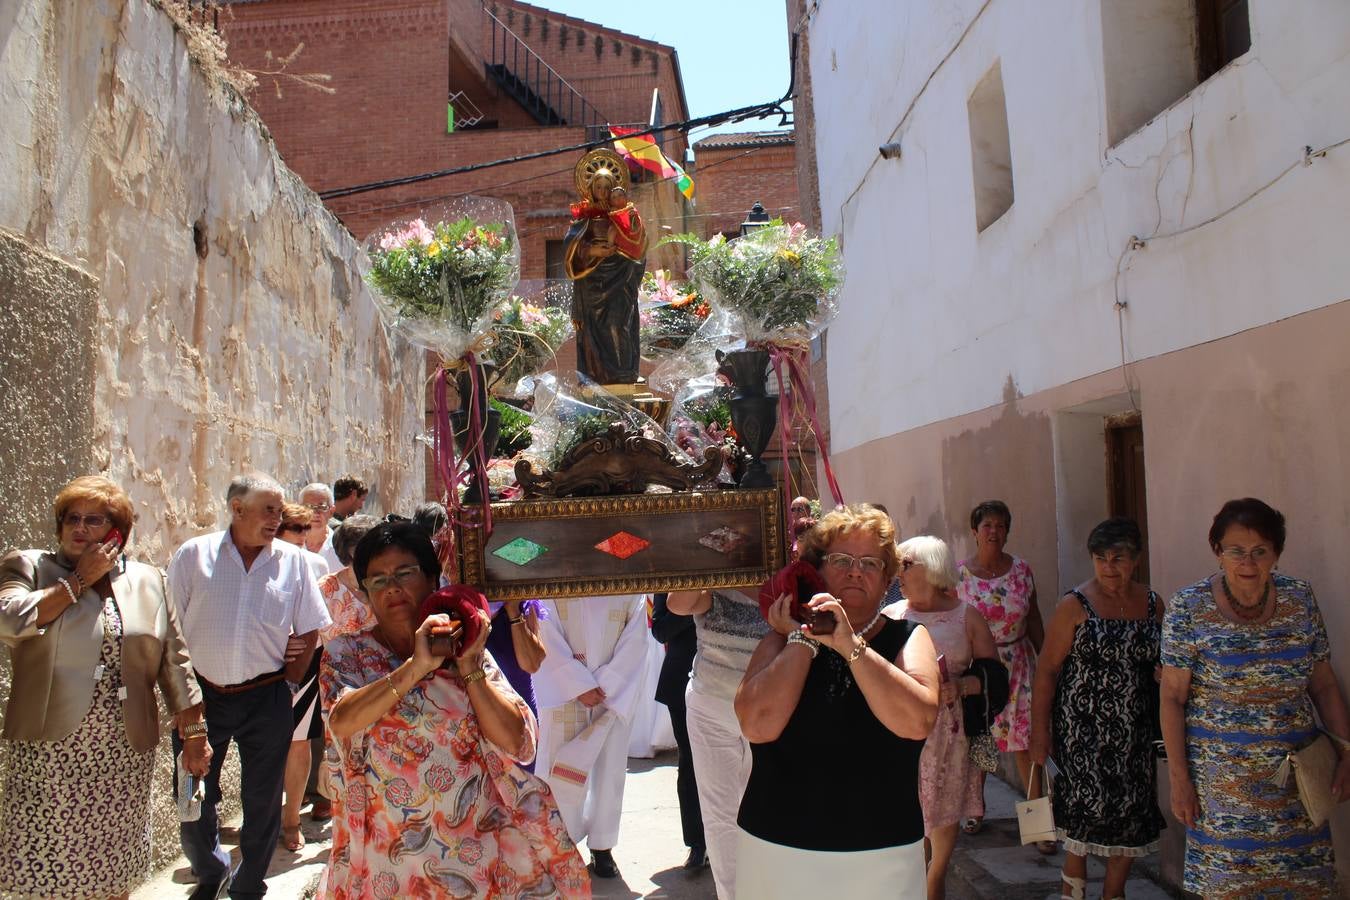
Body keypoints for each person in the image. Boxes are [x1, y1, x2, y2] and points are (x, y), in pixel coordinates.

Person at [320, 522, 588, 897]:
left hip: (475, 846)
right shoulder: (346, 654)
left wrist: (470, 668)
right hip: (387, 852)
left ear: (432, 580)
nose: (391, 587)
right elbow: (342, 721)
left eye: (404, 573)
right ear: (365, 595)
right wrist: (416, 666)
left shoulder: (464, 649)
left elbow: (517, 740)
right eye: (377, 580)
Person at [0, 476, 209, 900]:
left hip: (122, 752)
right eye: (70, 519)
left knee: (113, 869)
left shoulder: (150, 580)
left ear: (118, 532)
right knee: (45, 869)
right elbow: (8, 620)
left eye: (94, 520)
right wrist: (76, 582)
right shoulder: (31, 566)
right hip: (49, 749)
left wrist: (193, 735)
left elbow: (175, 661)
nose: (79, 528)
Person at [734, 504, 940, 899]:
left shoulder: (910, 639)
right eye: (841, 559)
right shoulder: (779, 640)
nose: (855, 571)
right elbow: (757, 725)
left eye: (871, 563)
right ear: (817, 569)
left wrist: (850, 644)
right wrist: (805, 637)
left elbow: (916, 721)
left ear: (886, 583)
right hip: (778, 850)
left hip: (883, 855)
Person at [1161, 498, 1350, 897]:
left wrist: (1346, 751)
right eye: (1236, 550)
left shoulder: (1299, 600)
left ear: (1276, 554)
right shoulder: (1188, 607)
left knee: (1302, 887)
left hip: (1297, 783)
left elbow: (1324, 685)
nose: (1248, 561)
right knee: (1231, 887)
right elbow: (1173, 698)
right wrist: (1179, 779)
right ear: (1217, 551)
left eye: (1260, 551)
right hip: (1222, 789)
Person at [168, 474, 331, 900]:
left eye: (280, 510)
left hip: (267, 696)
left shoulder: (292, 562)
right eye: (268, 510)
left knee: (262, 798)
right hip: (202, 699)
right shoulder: (194, 556)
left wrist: (289, 684)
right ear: (237, 510)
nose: (277, 518)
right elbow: (171, 635)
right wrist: (183, 700)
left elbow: (310, 629)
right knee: (192, 791)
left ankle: (250, 882)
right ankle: (211, 870)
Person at [1029, 518, 1164, 900]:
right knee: (1083, 816)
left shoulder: (1154, 604)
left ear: (1135, 560)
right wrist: (1040, 732)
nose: (1109, 566)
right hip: (1082, 731)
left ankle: (1114, 893)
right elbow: (1048, 670)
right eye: (1101, 558)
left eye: (1118, 558)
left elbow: (1165, 660)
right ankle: (1074, 889)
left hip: (1135, 731)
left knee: (1132, 814)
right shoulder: (1075, 605)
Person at [893, 535, 998, 900]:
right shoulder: (891, 616)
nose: (898, 572)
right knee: (907, 809)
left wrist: (964, 685)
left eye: (907, 564)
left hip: (950, 737)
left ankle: (934, 881)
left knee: (945, 809)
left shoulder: (966, 616)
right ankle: (910, 882)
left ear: (934, 569)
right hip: (903, 732)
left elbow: (994, 675)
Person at [534, 593, 650, 879]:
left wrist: (605, 685)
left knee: (609, 769)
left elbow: (635, 638)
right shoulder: (553, 573)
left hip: (612, 693)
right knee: (559, 767)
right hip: (565, 691)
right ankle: (563, 844)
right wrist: (577, 682)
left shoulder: (625, 578)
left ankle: (603, 845)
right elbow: (544, 629)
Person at [666, 585, 770, 897]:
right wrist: (709, 563)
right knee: (720, 817)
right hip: (710, 707)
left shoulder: (785, 568)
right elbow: (678, 605)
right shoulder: (713, 581)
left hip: (769, 709)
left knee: (767, 813)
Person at [955, 499, 1047, 841]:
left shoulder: (1022, 570)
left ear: (1007, 532)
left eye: (1000, 526)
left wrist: (1048, 659)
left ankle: (1038, 828)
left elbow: (1034, 617)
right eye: (987, 526)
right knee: (979, 741)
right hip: (978, 668)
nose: (994, 532)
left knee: (1026, 745)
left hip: (1019, 665)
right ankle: (974, 811)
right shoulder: (959, 575)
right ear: (975, 532)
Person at [276, 503, 333, 851]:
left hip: (306, 664)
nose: (300, 534)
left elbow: (320, 623)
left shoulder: (315, 564)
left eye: (303, 527)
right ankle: (265, 819)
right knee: (264, 747)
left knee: (299, 744)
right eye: (292, 527)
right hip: (262, 668)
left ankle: (291, 819)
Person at [564, 152, 647, 385]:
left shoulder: (622, 216)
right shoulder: (585, 219)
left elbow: (640, 245)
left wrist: (625, 250)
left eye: (606, 186)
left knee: (618, 324)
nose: (602, 191)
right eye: (598, 186)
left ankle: (624, 373)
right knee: (594, 332)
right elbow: (571, 247)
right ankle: (597, 375)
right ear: (591, 189)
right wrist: (593, 251)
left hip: (620, 280)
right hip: (591, 285)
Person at [650, 593, 706, 872]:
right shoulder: (672, 573)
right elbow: (660, 630)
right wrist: (692, 602)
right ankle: (698, 843)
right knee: (690, 763)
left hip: (733, 674)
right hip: (681, 678)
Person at [298, 482, 337, 563]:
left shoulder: (341, 548)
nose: (315, 513)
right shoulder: (288, 544)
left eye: (322, 507)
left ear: (331, 511)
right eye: (308, 507)